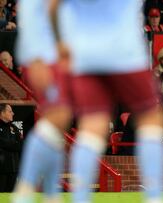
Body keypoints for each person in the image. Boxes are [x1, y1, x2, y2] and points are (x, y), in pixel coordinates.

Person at [50, 1, 163, 203]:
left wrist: (60, 41)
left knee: (91, 127)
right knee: (151, 119)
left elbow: (52, 6)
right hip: (124, 48)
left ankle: (80, 198)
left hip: (87, 51)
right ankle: (155, 197)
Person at [12, 0, 73, 202]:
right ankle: (26, 185)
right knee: (58, 117)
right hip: (44, 54)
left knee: (56, 124)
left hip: (40, 51)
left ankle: (50, 193)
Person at [0, 103, 23, 192]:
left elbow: (20, 144)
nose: (13, 113)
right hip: (1, 170)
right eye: (10, 111)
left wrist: (12, 145)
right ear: (2, 113)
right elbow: (2, 143)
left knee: (10, 197)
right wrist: (14, 144)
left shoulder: (13, 127)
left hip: (14, 170)